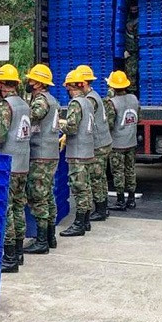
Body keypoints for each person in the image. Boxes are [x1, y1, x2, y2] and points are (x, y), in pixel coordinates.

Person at [0, 64, 31, 273]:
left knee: (8, 209)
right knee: (19, 206)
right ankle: (19, 252)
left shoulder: (6, 106)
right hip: (23, 163)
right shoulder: (24, 104)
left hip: (8, 164)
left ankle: (10, 257)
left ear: (2, 85)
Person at [22, 64, 61, 255]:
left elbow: (30, 117)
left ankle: (41, 240)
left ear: (38, 83)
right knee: (48, 196)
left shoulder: (41, 101)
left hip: (41, 155)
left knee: (38, 197)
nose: (28, 83)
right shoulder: (52, 99)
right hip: (50, 153)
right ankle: (50, 237)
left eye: (31, 80)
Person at [59, 69, 95, 237]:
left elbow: (72, 127)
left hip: (77, 152)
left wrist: (58, 124)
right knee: (86, 187)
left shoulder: (76, 103)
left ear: (71, 87)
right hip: (87, 150)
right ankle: (85, 221)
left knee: (79, 188)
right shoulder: (88, 101)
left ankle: (79, 224)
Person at [76, 64, 113, 223]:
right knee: (101, 177)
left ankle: (100, 210)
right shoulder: (95, 95)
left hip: (98, 144)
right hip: (104, 142)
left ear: (83, 83)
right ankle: (103, 207)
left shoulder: (90, 100)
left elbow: (83, 120)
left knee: (96, 177)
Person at [105, 71, 141, 211]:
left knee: (118, 172)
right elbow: (140, 117)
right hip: (131, 142)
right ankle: (131, 199)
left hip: (117, 144)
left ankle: (120, 200)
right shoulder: (133, 99)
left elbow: (109, 123)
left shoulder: (112, 103)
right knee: (130, 170)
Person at [124, 0, 139, 93]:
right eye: (132, 6)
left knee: (132, 73)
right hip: (130, 51)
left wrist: (130, 50)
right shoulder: (129, 17)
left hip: (134, 52)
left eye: (135, 6)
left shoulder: (139, 20)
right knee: (130, 74)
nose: (133, 9)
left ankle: (132, 95)